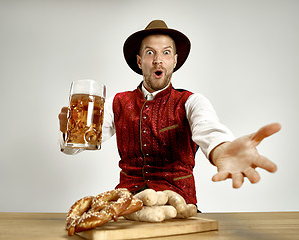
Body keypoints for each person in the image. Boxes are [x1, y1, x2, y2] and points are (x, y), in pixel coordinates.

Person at [58, 20, 281, 205]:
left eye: (166, 53)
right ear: (139, 61)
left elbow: (209, 131)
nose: (158, 59)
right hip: (126, 204)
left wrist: (223, 151)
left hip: (178, 205)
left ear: (174, 61)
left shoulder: (191, 102)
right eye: (150, 53)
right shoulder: (117, 102)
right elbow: (81, 144)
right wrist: (70, 136)